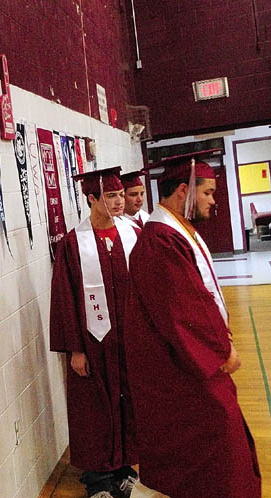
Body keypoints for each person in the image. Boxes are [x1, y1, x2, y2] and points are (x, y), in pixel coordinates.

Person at [125, 149, 261, 498]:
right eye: (208, 192)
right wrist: (220, 351)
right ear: (184, 191)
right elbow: (183, 311)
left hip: (191, 363)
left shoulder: (180, 232)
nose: (214, 201)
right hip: (182, 370)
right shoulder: (160, 241)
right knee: (215, 449)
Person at [50, 166, 140, 498]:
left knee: (129, 402)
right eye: (111, 195)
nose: (119, 202)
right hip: (94, 343)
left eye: (120, 195)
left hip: (128, 342)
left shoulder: (132, 234)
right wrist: (75, 348)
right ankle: (98, 478)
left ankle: (124, 467)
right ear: (91, 199)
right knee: (95, 409)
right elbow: (65, 299)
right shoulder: (74, 244)